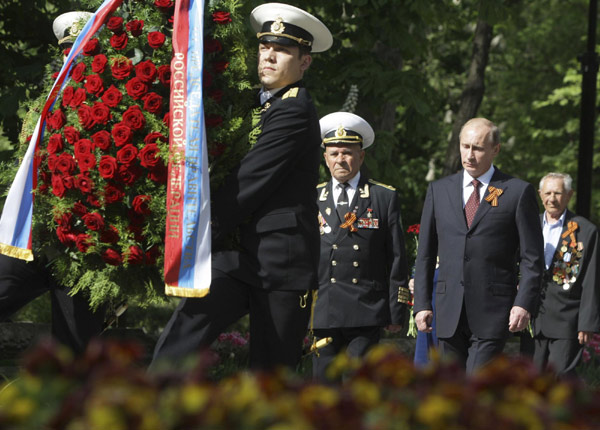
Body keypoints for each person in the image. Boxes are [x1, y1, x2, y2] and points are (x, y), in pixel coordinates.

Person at [152, 3, 333, 370]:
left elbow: (249, 180)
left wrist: (197, 229)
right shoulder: (254, 104)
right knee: (181, 337)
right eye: (265, 47)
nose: (268, 56)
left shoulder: (296, 110)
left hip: (280, 262)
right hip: (235, 256)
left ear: (304, 63)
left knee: (271, 374)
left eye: (281, 50)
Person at [0, 11, 105, 354]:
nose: (76, 61)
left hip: (87, 246)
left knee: (76, 348)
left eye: (85, 52)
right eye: (69, 52)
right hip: (35, 235)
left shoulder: (117, 107)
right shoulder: (47, 106)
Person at [413, 117, 544, 373]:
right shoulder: (439, 191)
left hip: (492, 311)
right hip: (448, 309)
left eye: (478, 148)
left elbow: (532, 257)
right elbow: (426, 254)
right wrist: (421, 305)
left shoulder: (517, 192)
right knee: (450, 391)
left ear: (495, 149)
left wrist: (524, 302)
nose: (469, 155)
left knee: (477, 386)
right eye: (465, 146)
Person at [310, 112, 410, 381]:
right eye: (334, 153)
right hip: (324, 311)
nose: (340, 159)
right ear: (325, 157)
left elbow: (397, 257)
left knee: (359, 387)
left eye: (347, 153)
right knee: (323, 388)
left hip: (366, 309)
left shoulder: (383, 197)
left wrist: (396, 309)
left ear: (361, 156)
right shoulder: (311, 197)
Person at [532, 172, 600, 378]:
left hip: (566, 320)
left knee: (559, 380)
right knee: (531, 381)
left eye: (558, 193)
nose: (552, 198)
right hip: (533, 320)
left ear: (569, 195)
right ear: (540, 194)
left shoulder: (585, 231)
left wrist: (587, 323)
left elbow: (592, 280)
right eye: (548, 193)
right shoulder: (528, 225)